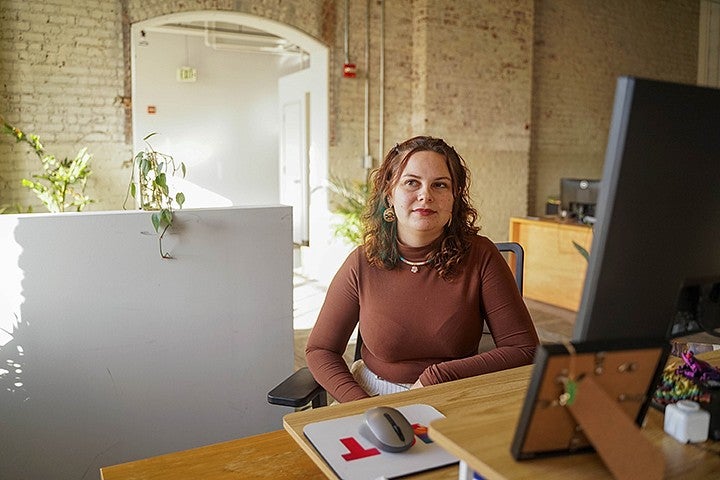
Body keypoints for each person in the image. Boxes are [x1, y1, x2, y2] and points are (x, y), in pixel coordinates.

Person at [305, 135, 539, 403]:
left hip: (453, 396)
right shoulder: (362, 262)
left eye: (440, 185)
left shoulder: (482, 256)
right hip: (372, 396)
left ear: (454, 198)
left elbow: (525, 349)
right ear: (390, 195)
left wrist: (438, 377)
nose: (425, 195)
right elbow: (320, 349)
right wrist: (361, 405)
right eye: (411, 183)